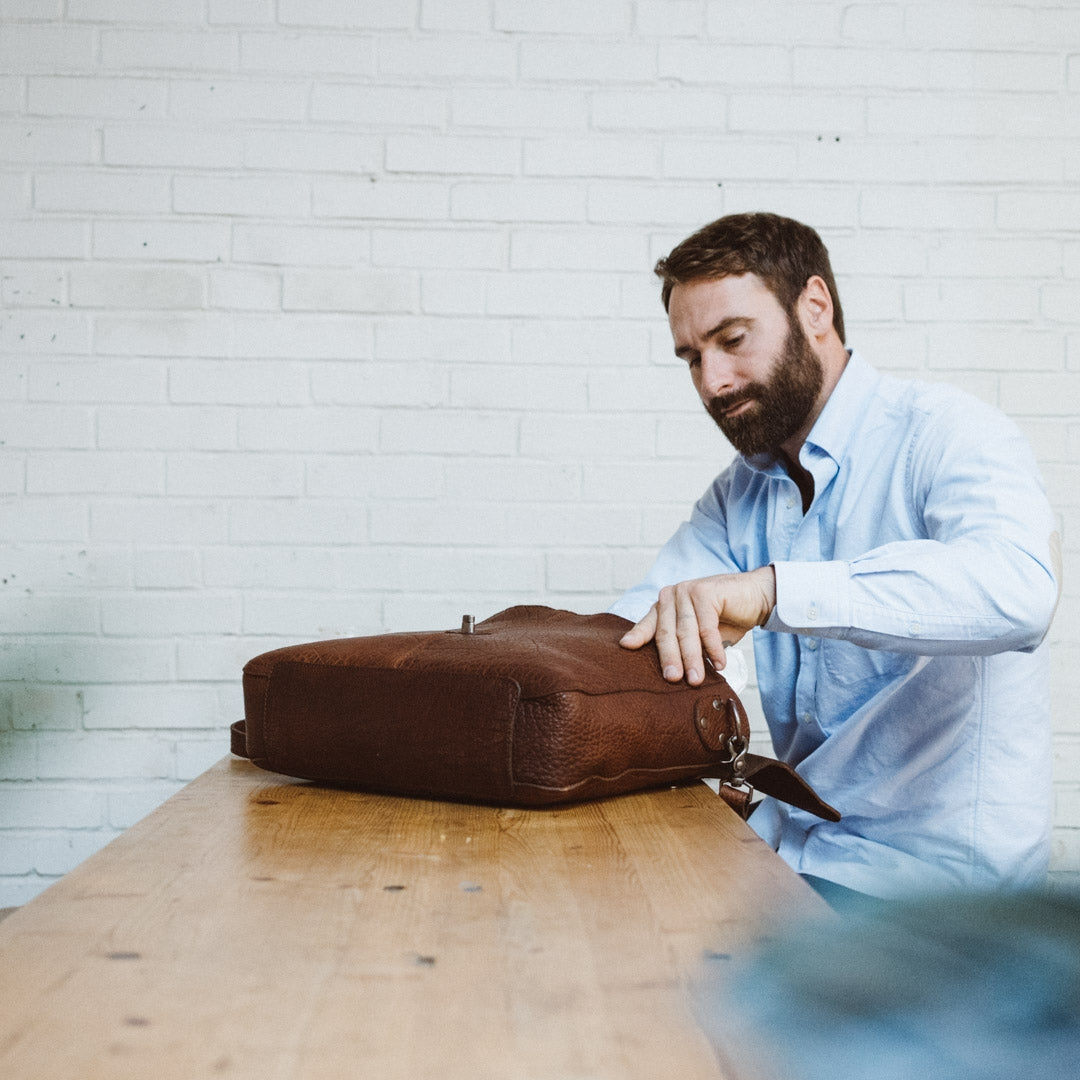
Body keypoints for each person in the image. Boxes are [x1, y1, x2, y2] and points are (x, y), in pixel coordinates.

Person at [611, 212, 1061, 901]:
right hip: (789, 850)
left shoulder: (948, 433)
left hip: (931, 901)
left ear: (814, 307)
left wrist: (773, 591)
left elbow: (1019, 591)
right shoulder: (740, 495)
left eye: (732, 340)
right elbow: (638, 625)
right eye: (692, 357)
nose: (713, 382)